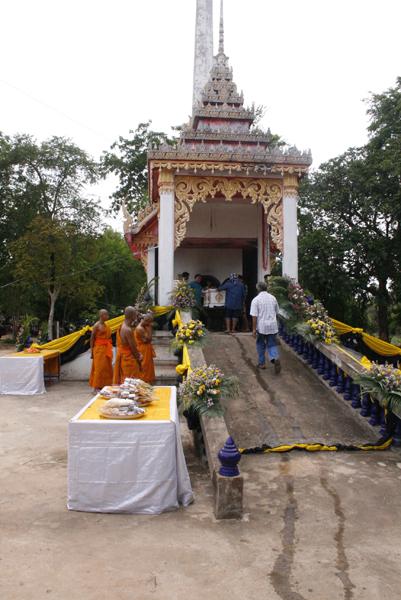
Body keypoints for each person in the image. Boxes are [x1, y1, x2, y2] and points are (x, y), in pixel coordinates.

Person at [250, 281, 281, 374]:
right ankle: (275, 358)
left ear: (258, 289)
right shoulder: (273, 298)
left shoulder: (256, 300)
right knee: (272, 344)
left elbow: (254, 317)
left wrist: (254, 330)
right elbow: (277, 312)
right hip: (272, 326)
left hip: (261, 327)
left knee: (260, 344)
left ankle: (262, 363)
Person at [113, 306, 143, 384]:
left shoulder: (122, 326)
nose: (137, 316)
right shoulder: (127, 330)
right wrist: (139, 357)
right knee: (131, 382)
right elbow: (133, 347)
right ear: (132, 315)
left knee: (126, 380)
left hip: (124, 356)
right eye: (136, 314)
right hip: (129, 359)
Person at [89, 309, 113, 390]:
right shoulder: (96, 325)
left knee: (106, 368)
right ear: (101, 315)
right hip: (98, 349)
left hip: (106, 348)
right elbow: (92, 339)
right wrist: (92, 352)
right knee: (99, 368)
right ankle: (96, 387)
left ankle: (104, 385)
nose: (108, 316)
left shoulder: (106, 325)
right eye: (106, 315)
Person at [135, 313, 156, 384]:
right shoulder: (140, 328)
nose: (150, 324)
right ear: (147, 321)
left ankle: (148, 382)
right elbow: (148, 339)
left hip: (146, 349)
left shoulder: (144, 327)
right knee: (144, 367)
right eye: (150, 322)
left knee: (148, 368)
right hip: (143, 350)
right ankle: (144, 383)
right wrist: (149, 329)